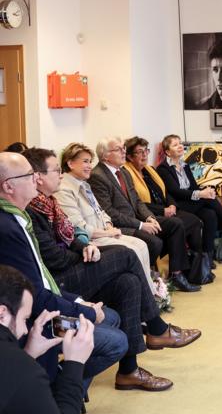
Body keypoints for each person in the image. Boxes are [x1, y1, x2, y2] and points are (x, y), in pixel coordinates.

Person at [23, 147, 199, 391]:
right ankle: (157, 327)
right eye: (56, 171)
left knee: (128, 282)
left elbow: (72, 234)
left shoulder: (48, 202)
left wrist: (83, 246)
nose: (61, 175)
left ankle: (129, 371)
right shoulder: (31, 208)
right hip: (58, 282)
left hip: (71, 264)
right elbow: (54, 258)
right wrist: (84, 251)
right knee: (126, 254)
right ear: (37, 177)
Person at [0, 151, 127, 385]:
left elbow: (41, 280)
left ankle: (68, 393)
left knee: (111, 315)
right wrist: (86, 312)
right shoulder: (8, 228)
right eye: (29, 175)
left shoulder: (20, 217)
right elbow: (35, 296)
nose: (35, 179)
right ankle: (61, 390)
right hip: (38, 322)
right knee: (116, 341)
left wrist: (80, 303)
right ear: (8, 187)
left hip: (49, 302)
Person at [0, 264, 91, 414]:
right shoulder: (14, 364)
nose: (23, 330)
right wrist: (74, 364)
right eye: (24, 319)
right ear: (2, 313)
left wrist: (27, 354)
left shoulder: (14, 364)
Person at [89, 137, 200, 293]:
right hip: (121, 226)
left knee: (175, 224)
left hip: (137, 219)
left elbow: (137, 201)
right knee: (155, 242)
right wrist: (141, 225)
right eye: (118, 149)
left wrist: (150, 218)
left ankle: (177, 274)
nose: (123, 152)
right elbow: (109, 212)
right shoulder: (98, 175)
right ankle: (146, 278)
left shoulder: (123, 172)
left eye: (123, 149)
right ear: (106, 155)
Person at [54, 142, 156, 296]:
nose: (89, 166)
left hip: (104, 232)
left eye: (90, 162)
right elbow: (79, 228)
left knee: (141, 244)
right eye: (85, 162)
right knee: (133, 249)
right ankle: (147, 298)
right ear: (70, 163)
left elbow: (101, 212)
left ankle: (150, 294)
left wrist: (108, 225)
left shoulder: (84, 184)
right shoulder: (64, 189)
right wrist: (108, 233)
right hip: (91, 240)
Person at [157, 134, 222, 267]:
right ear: (167, 152)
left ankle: (206, 256)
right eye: (175, 145)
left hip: (190, 202)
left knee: (210, 214)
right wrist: (201, 194)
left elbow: (193, 186)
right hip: (177, 205)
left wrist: (206, 191)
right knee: (207, 199)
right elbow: (175, 191)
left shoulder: (184, 165)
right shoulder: (163, 169)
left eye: (180, 143)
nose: (180, 146)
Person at [123, 136, 211, 286]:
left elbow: (166, 192)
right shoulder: (127, 174)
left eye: (146, 150)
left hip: (165, 209)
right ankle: (178, 274)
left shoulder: (150, 170)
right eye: (140, 152)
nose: (145, 155)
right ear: (130, 156)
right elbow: (137, 203)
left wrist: (171, 205)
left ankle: (196, 271)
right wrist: (163, 210)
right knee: (178, 224)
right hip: (150, 215)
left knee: (196, 221)